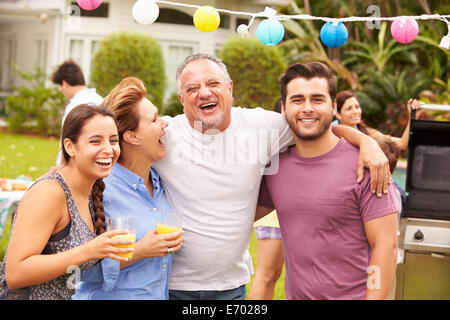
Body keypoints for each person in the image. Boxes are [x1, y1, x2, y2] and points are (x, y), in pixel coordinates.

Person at [152, 53, 391, 300]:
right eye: (193, 88)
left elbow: (314, 124)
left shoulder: (263, 127)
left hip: (230, 286)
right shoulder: (164, 135)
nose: (204, 93)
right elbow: (119, 138)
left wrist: (365, 141)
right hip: (169, 284)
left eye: (213, 84)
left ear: (230, 88)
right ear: (181, 99)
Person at [256, 62, 399, 300]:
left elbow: (385, 247)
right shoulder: (274, 167)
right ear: (284, 108)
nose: (307, 108)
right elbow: (238, 214)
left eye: (317, 99)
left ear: (333, 107)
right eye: (298, 100)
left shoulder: (368, 165)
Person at [0, 104, 134, 300]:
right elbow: (14, 274)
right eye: (95, 141)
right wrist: (88, 251)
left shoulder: (90, 192)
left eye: (113, 140)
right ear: (70, 146)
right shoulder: (50, 193)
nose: (108, 149)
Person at [73, 77, 183, 300]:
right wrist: (140, 250)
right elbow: (76, 270)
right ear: (132, 137)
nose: (164, 123)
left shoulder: (160, 183)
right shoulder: (99, 189)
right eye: (154, 119)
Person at [249, 98, 284, 300]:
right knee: (267, 274)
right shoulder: (271, 143)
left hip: (287, 215)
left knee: (275, 273)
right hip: (271, 216)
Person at [51, 59, 103, 165]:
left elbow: (67, 139)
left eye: (60, 87)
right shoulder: (101, 100)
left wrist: (60, 168)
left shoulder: (74, 106)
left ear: (64, 83)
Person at [334, 90, 423, 150]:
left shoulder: (367, 133)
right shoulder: (330, 131)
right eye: (349, 108)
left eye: (357, 107)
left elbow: (402, 143)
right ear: (338, 114)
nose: (355, 111)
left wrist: (412, 116)